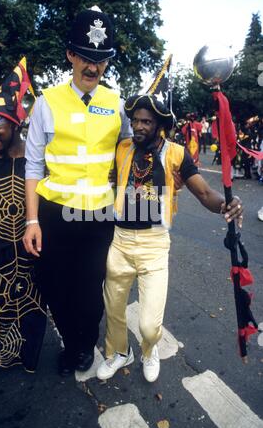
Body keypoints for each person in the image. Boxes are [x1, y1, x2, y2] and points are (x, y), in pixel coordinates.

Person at [96, 93, 243, 383]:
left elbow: (204, 192)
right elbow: (108, 180)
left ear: (159, 124)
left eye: (146, 121)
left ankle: (149, 350)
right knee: (113, 309)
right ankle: (120, 352)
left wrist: (225, 204)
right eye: (135, 120)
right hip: (120, 241)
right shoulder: (122, 148)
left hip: (154, 245)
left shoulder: (176, 153)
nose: (138, 126)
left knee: (149, 326)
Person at [23, 6, 132, 376]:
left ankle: (82, 346)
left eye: (100, 60)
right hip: (55, 214)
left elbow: (137, 154)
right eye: (86, 57)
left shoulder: (117, 105)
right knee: (54, 287)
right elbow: (33, 166)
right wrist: (32, 220)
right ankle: (72, 338)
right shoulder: (47, 103)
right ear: (71, 54)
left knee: (89, 294)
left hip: (99, 216)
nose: (92, 67)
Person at [0, 59, 46, 372]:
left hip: (29, 250)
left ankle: (27, 357)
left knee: (30, 308)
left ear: (13, 124)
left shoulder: (36, 158)